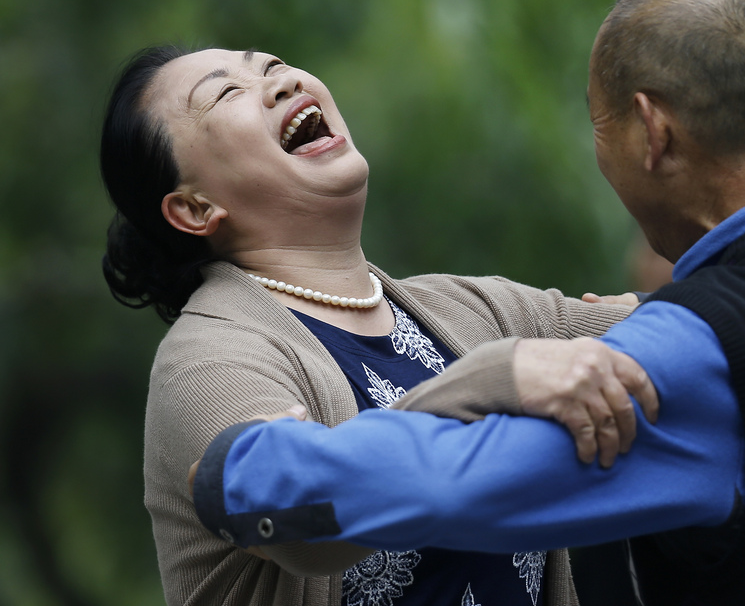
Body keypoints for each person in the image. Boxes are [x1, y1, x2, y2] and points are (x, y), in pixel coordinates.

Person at [189, 0, 745, 605]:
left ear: (653, 132)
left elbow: (445, 482)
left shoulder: (684, 358)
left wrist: (241, 474)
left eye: (598, 122)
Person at [101, 45, 672, 606]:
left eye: (273, 65)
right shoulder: (208, 359)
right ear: (195, 210)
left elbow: (694, 329)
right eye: (227, 92)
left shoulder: (472, 311)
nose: (282, 82)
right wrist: (495, 382)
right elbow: (297, 510)